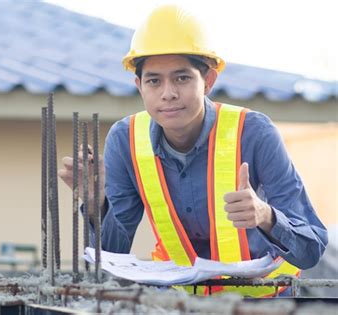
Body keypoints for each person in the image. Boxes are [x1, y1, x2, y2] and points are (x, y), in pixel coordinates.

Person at [58, 4, 327, 296]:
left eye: (182, 77)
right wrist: (97, 204)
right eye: (154, 81)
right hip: (179, 305)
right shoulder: (125, 141)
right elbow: (111, 256)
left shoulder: (255, 133)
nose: (168, 93)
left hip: (264, 305)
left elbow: (311, 250)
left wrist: (266, 216)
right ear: (139, 86)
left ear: (208, 81)